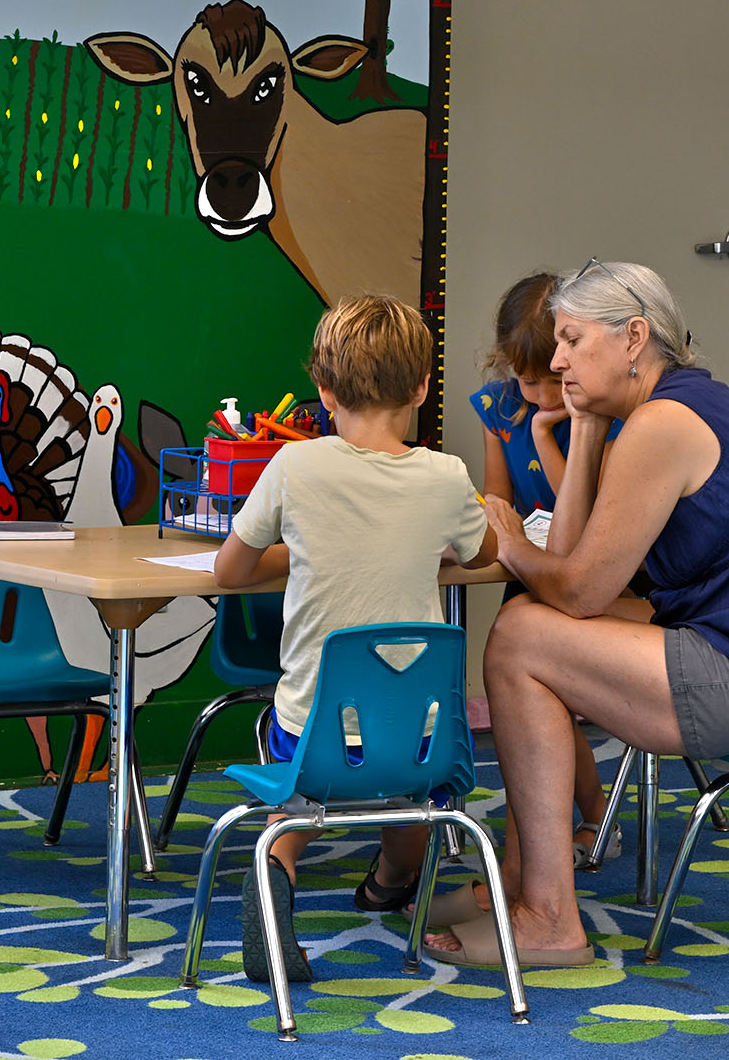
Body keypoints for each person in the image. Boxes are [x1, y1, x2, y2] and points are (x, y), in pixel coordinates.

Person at [425, 259, 729, 968]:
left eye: (573, 340)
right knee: (537, 625)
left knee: (518, 636)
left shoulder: (662, 425)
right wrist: (583, 428)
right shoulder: (711, 408)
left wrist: (511, 546)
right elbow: (574, 574)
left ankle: (548, 918)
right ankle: (515, 885)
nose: (557, 360)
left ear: (634, 337)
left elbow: (578, 591)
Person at [215, 293, 497, 983]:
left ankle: (274, 874)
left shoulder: (294, 466)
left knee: (292, 804)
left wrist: (306, 548)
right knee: (414, 802)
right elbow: (484, 552)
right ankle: (391, 880)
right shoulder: (446, 476)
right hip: (417, 740)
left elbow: (230, 572)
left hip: (312, 733)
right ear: (423, 389)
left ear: (323, 390)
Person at [471, 273, 622, 873]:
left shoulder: (596, 409)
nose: (539, 394)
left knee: (549, 693)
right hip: (528, 565)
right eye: (527, 380)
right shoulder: (497, 407)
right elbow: (497, 497)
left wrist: (546, 437)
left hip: (590, 568)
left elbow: (584, 513)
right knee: (532, 687)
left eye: (551, 380)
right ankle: (570, 821)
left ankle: (593, 814)